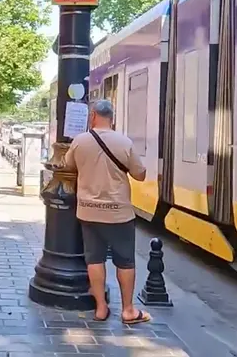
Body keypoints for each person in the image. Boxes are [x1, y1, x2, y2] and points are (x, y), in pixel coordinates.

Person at [63, 99, 150, 324]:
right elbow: (140, 175)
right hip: (119, 214)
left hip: (89, 212)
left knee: (95, 260)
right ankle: (128, 310)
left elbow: (68, 166)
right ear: (112, 117)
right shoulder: (124, 142)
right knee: (125, 262)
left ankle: (101, 308)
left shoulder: (80, 142)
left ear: (92, 115)